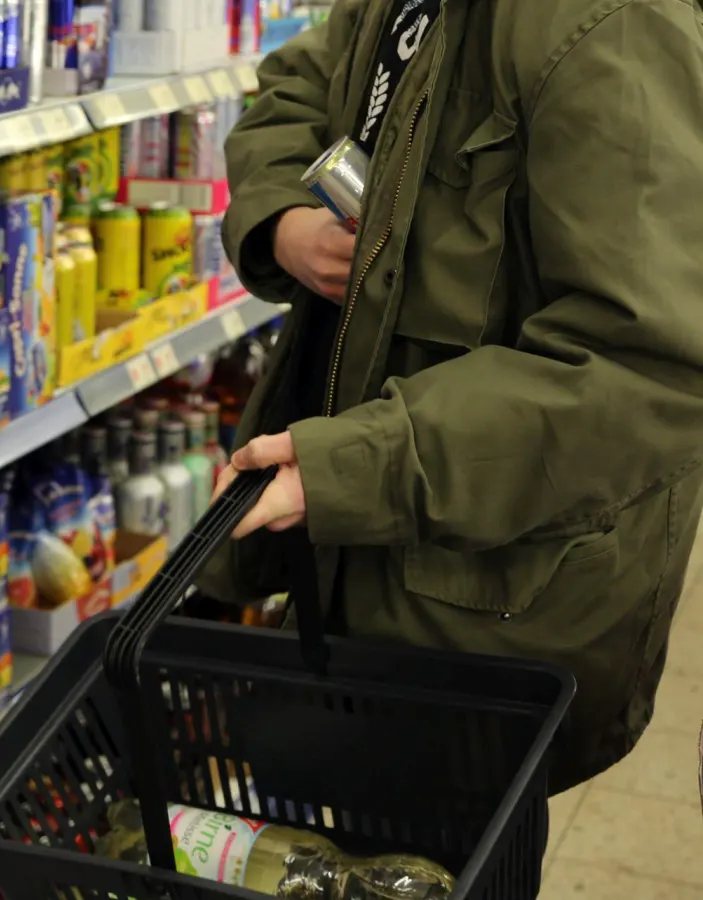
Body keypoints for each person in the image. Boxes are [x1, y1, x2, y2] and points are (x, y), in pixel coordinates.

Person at [207, 0, 703, 794]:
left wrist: (352, 471)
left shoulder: (613, 23)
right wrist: (281, 222)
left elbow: (649, 369)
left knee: (445, 851)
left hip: (491, 601)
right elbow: (296, 84)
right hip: (352, 552)